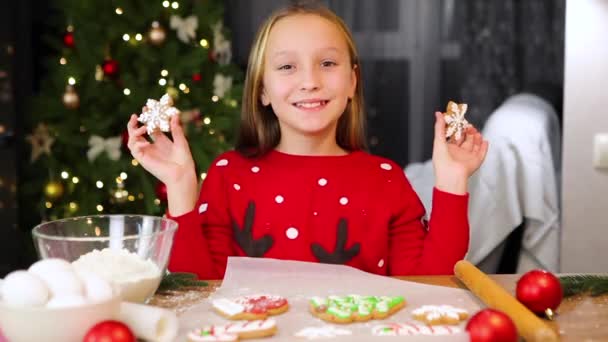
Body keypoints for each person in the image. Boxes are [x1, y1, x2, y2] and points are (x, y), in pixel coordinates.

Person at [126, 2, 488, 280]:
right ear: (262, 89)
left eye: (328, 63)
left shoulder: (386, 179)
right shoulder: (228, 175)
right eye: (287, 67)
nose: (310, 81)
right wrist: (180, 185)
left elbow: (430, 284)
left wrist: (453, 181)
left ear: (352, 82)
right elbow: (198, 287)